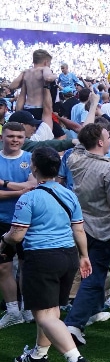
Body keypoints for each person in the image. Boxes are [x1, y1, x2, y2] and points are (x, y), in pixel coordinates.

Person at [5, 147, 94, 362]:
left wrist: (4, 239)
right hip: (68, 257)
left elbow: (17, 235)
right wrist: (84, 256)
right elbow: (78, 229)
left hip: (42, 258)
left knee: (44, 315)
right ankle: (38, 355)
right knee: (51, 310)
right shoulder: (68, 194)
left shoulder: (29, 197)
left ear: (34, 167)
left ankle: (75, 360)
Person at [61, 123, 110, 343]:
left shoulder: (74, 159)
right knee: (94, 275)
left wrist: (94, 103)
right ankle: (74, 324)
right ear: (99, 142)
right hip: (103, 229)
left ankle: (95, 309)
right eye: (107, 137)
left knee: (91, 270)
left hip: (79, 225)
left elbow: (80, 142)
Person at [0, 119, 37, 328]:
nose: (15, 140)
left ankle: (28, 308)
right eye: (11, 136)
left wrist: (5, 185)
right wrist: (18, 191)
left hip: (26, 221)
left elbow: (34, 185)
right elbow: (27, 187)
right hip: (2, 220)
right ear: (3, 137)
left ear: (25, 139)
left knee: (26, 266)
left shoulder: (31, 159)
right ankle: (12, 310)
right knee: (3, 268)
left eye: (19, 137)